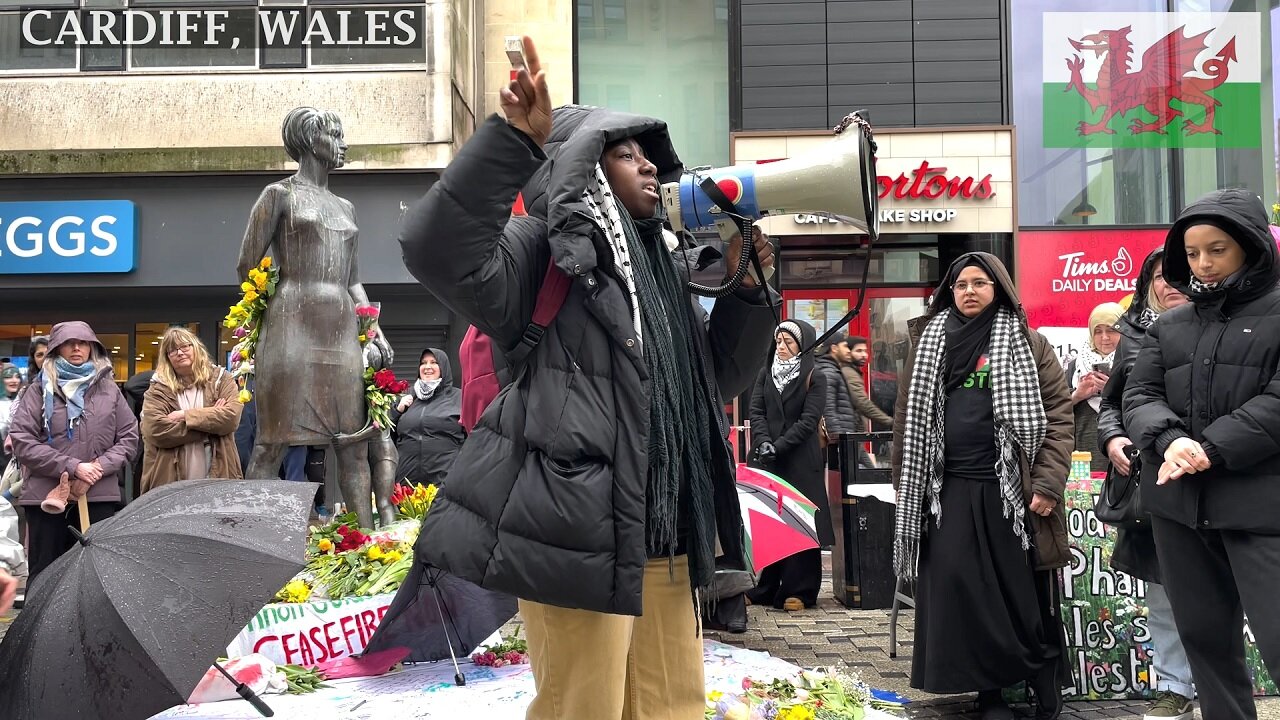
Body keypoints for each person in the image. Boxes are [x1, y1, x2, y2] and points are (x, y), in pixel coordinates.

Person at [401, 36, 777, 719]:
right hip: (575, 535)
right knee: (584, 708)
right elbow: (434, 248)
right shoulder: (542, 249)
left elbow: (711, 379)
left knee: (672, 708)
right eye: (626, 153)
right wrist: (514, 142)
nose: (649, 168)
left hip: (667, 533)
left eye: (649, 156)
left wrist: (748, 289)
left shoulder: (664, 267)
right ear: (582, 165)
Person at [892, 253, 1073, 720]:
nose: (969, 291)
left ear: (1001, 289)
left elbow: (1058, 415)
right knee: (958, 590)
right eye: (960, 284)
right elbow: (905, 422)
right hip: (944, 491)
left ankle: (1040, 668)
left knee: (1016, 592)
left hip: (1011, 492)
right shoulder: (929, 342)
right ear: (948, 292)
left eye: (980, 282)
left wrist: (1048, 482)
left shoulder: (1027, 343)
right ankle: (987, 691)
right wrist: (905, 485)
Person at [1122, 188, 1280, 720]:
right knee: (1205, 642)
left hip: (1263, 509)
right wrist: (1171, 441)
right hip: (1179, 508)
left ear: (1251, 246)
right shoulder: (1169, 325)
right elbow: (1138, 397)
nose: (1203, 264)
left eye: (1217, 249)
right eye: (1192, 253)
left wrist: (1209, 448)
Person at [236, 106, 391, 530]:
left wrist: (373, 329)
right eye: (335, 135)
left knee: (353, 443)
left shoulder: (346, 206)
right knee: (272, 442)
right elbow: (247, 265)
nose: (344, 144)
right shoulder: (278, 195)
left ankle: (364, 543)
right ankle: (256, 539)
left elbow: (354, 280)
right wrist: (267, 309)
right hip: (290, 325)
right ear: (310, 141)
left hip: (340, 326)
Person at [1095, 247, 1195, 720]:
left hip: (1222, 477)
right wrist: (1112, 437)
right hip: (1154, 486)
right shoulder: (1133, 335)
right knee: (1162, 588)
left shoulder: (1232, 324)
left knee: (1228, 585)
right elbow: (1113, 402)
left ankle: (1219, 681)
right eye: (1159, 275)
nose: (1170, 282)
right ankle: (1174, 686)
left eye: (1178, 272)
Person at [8, 321, 138, 582]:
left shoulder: (109, 389)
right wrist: (73, 467)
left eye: (83, 343)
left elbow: (129, 437)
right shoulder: (37, 390)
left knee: (94, 576)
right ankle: (40, 625)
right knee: (46, 573)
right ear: (57, 348)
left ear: (92, 348)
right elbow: (22, 440)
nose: (76, 348)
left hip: (98, 495)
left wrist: (97, 468)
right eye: (69, 343)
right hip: (47, 498)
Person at [748, 319, 829, 611]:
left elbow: (809, 420)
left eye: (788, 342)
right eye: (778, 341)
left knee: (801, 523)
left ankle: (801, 590)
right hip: (768, 458)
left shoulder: (815, 376)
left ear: (802, 346)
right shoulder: (765, 374)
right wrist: (763, 440)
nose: (781, 347)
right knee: (772, 521)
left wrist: (778, 446)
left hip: (799, 460)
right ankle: (767, 588)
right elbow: (756, 409)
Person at [139, 328, 244, 493]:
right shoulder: (158, 388)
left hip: (219, 478)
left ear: (196, 347)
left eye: (185, 347)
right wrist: (211, 422)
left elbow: (231, 418)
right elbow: (156, 429)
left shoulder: (222, 379)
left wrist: (184, 415)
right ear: (167, 357)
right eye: (172, 350)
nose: (179, 353)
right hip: (169, 482)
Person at [391, 348, 464, 488]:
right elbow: (386, 434)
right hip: (407, 482)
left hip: (444, 482)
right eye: (423, 363)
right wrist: (397, 411)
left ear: (443, 367)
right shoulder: (408, 397)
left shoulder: (459, 398)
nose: (427, 367)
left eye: (434, 362)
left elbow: (472, 437)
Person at [1071, 302, 1124, 472]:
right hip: (1083, 453)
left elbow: (1145, 402)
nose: (1104, 337)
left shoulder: (1135, 362)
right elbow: (1055, 410)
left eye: (1111, 330)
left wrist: (1113, 389)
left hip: (1122, 446)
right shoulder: (1075, 366)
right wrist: (1077, 395)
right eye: (1098, 331)